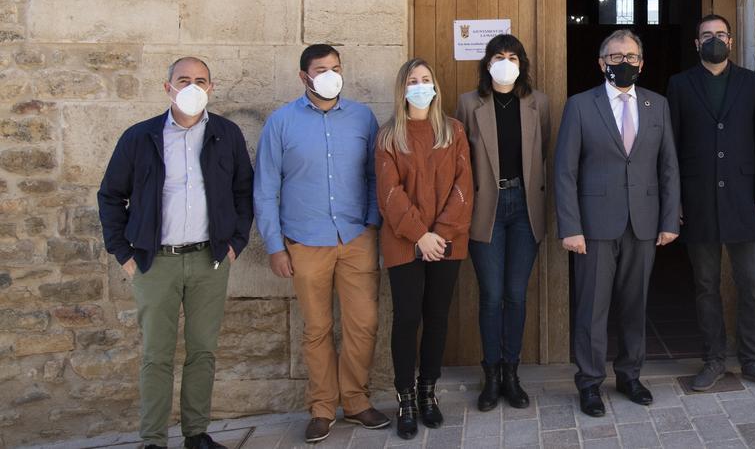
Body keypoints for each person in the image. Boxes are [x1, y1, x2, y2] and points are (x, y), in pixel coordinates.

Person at [98, 57, 253, 449]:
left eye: (201, 80)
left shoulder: (226, 134)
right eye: (184, 79)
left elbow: (242, 192)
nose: (192, 86)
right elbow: (111, 196)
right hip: (155, 262)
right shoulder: (140, 137)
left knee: (202, 350)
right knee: (157, 354)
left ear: (211, 88)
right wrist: (124, 254)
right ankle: (153, 440)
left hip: (210, 259)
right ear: (167, 87)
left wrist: (235, 244)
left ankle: (196, 434)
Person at [254, 44, 389, 443]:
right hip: (305, 241)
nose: (330, 74)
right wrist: (275, 246)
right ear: (304, 77)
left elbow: (373, 175)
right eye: (321, 69)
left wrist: (370, 221)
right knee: (316, 328)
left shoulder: (363, 118)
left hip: (355, 237)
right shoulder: (281, 123)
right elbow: (265, 190)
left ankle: (357, 401)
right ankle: (322, 408)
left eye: (335, 67)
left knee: (363, 323)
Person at [556, 29, 681, 417]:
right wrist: (570, 226)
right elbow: (565, 170)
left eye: (630, 57)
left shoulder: (656, 105)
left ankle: (630, 375)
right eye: (615, 57)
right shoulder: (579, 105)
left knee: (634, 304)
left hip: (643, 223)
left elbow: (669, 167)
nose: (622, 63)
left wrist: (669, 219)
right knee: (592, 306)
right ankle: (590, 382)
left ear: (641, 63)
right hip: (593, 226)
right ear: (601, 63)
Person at [666, 14, 755, 391]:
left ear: (731, 41)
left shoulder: (751, 82)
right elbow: (672, 147)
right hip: (698, 199)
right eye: (706, 35)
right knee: (705, 285)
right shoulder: (680, 85)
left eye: (720, 34)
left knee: (752, 283)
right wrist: (676, 199)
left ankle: (752, 360)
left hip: (744, 199)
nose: (714, 40)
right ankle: (713, 359)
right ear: (696, 43)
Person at [377, 58, 474, 439]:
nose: (420, 85)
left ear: (435, 86)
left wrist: (441, 234)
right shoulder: (389, 137)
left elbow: (464, 186)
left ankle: (428, 392)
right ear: (403, 89)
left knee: (436, 316)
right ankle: (404, 398)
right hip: (405, 243)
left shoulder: (454, 131)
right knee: (406, 318)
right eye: (413, 80)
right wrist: (420, 235)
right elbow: (389, 193)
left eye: (426, 79)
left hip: (448, 242)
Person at [454, 35, 551, 412]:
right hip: (486, 207)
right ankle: (491, 374)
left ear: (522, 63)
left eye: (512, 56)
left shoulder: (538, 103)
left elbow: (544, 153)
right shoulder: (468, 103)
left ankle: (512, 372)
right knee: (491, 295)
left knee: (516, 294)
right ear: (487, 62)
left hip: (525, 207)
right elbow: (460, 160)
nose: (506, 62)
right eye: (499, 56)